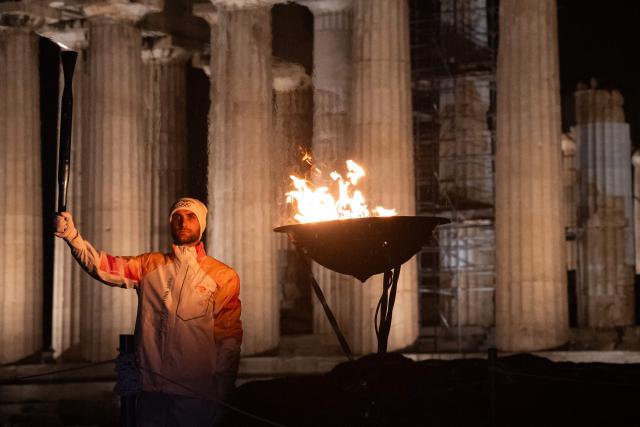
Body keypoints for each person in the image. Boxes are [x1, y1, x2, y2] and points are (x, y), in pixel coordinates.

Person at [54, 197, 242, 426]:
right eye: (177, 218)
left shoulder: (223, 275)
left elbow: (229, 339)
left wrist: (222, 392)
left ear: (202, 224)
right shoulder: (149, 265)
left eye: (191, 217)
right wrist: (73, 237)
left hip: (195, 395)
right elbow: (102, 266)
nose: (183, 223)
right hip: (150, 391)